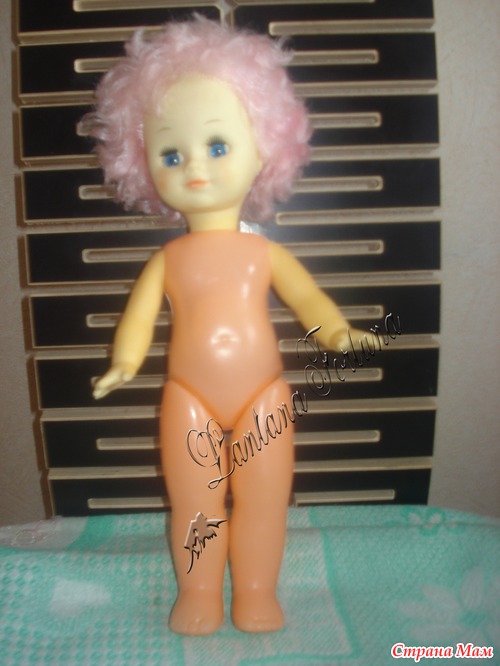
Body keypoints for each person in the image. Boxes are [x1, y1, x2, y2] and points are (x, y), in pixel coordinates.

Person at [90, 16, 364, 635]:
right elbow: (137, 322)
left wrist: (336, 332)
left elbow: (309, 299)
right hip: (189, 398)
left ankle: (257, 593)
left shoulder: (264, 253)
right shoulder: (168, 260)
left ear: (264, 147)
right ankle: (199, 593)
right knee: (196, 504)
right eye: (170, 154)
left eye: (217, 146)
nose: (194, 167)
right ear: (142, 165)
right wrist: (124, 363)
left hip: (263, 395)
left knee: (264, 501)